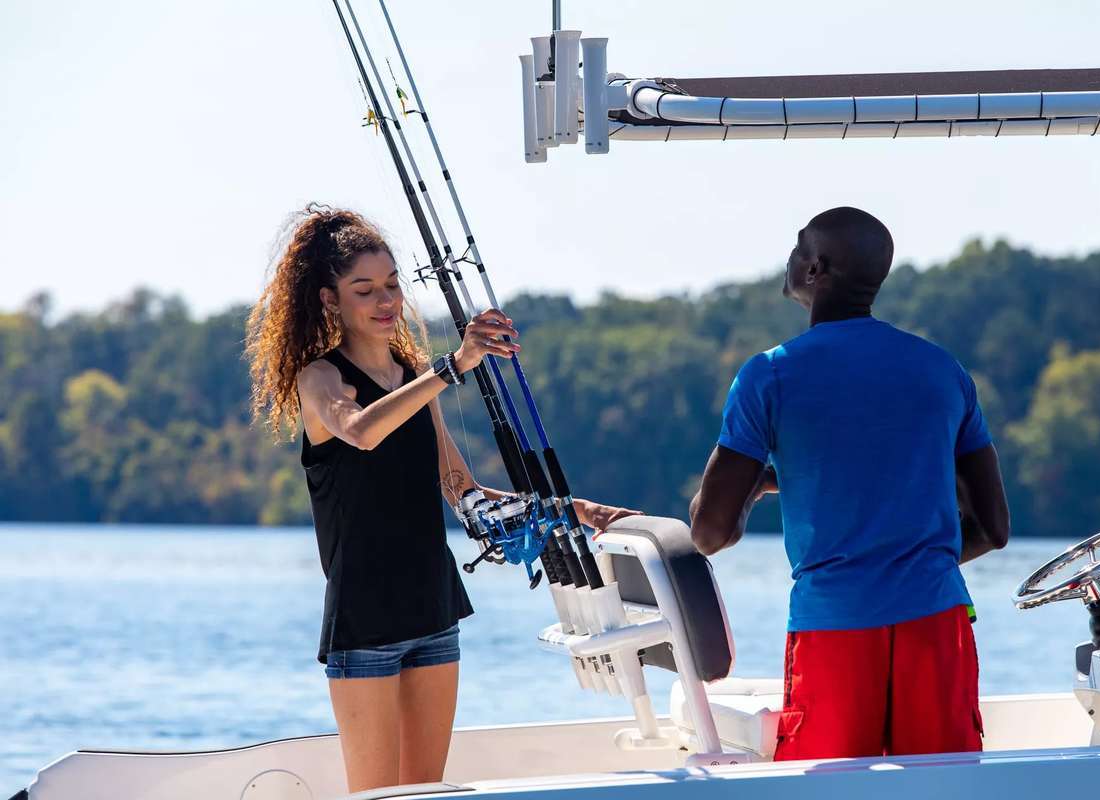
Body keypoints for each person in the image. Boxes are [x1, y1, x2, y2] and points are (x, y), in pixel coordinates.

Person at [246, 204, 637, 792]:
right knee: (378, 797)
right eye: (365, 290)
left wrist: (572, 510)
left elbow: (463, 490)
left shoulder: (413, 377)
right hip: (365, 618)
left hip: (433, 607)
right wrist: (452, 366)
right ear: (331, 300)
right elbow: (361, 431)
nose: (385, 301)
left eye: (392, 285)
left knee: (425, 793)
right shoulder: (322, 380)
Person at [688, 207, 1010, 760]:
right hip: (938, 623)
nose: (787, 259)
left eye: (796, 249)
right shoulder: (942, 370)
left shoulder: (769, 375)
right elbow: (994, 528)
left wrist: (752, 492)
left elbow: (710, 531)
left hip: (835, 627)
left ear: (816, 270)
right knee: (946, 789)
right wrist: (906, 563)